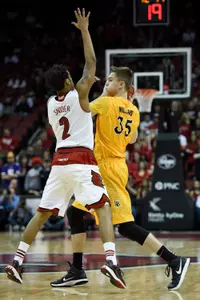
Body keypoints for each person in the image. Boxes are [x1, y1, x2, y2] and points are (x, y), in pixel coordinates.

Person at [5, 8, 125, 290]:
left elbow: (74, 103)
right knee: (103, 208)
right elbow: (92, 61)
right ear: (70, 81)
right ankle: (112, 261)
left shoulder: (50, 103)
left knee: (43, 213)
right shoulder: (79, 91)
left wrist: (84, 89)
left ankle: (18, 260)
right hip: (82, 159)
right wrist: (84, 30)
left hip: (59, 162)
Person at [51, 66, 190, 291]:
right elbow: (133, 138)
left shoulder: (107, 102)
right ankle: (77, 270)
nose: (106, 83)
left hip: (108, 168)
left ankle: (174, 260)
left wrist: (90, 88)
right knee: (75, 212)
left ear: (122, 85)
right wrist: (125, 106)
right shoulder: (134, 110)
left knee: (125, 226)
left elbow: (83, 109)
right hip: (111, 166)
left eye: (110, 80)